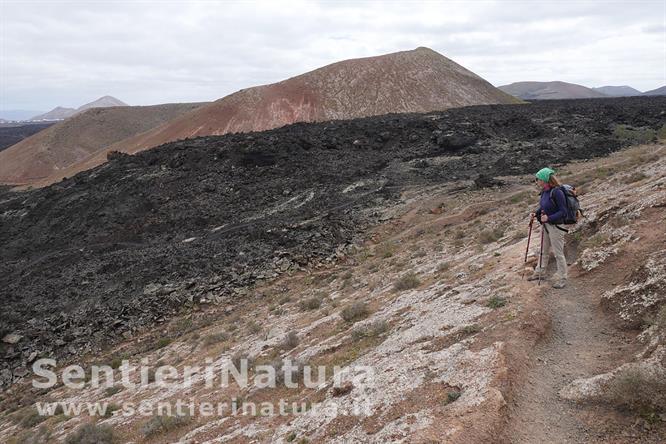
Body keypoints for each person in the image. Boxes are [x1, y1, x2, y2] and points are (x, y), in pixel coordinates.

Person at [528, 167, 568, 289]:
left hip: (556, 227)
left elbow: (563, 211)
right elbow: (544, 207)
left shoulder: (557, 192)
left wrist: (549, 218)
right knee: (543, 250)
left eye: (538, 179)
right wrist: (536, 213)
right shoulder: (545, 192)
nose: (536, 181)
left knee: (558, 253)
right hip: (546, 225)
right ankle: (540, 272)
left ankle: (562, 277)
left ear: (544, 180)